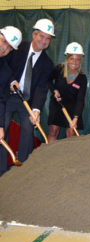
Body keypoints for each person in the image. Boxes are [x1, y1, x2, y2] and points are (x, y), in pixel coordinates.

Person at [0, 19, 55, 171]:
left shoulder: (47, 63)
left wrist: (36, 109)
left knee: (28, 129)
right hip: (7, 96)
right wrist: (11, 80)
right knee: (2, 127)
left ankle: (23, 169)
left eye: (47, 38)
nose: (44, 41)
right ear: (34, 35)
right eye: (41, 36)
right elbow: (3, 64)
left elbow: (42, 88)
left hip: (27, 100)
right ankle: (2, 170)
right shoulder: (17, 47)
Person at [48, 42, 87, 142]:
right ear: (67, 59)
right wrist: (54, 90)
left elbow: (80, 100)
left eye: (77, 59)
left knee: (71, 134)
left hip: (73, 108)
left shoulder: (82, 78)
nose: (74, 62)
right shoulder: (59, 69)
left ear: (80, 61)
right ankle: (49, 156)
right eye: (72, 58)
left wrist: (76, 118)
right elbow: (48, 80)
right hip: (57, 104)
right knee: (53, 131)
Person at [0, 26, 22, 176]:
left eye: (9, 46)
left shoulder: (5, 70)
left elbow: (1, 100)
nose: (4, 47)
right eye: (3, 41)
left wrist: (0, 125)